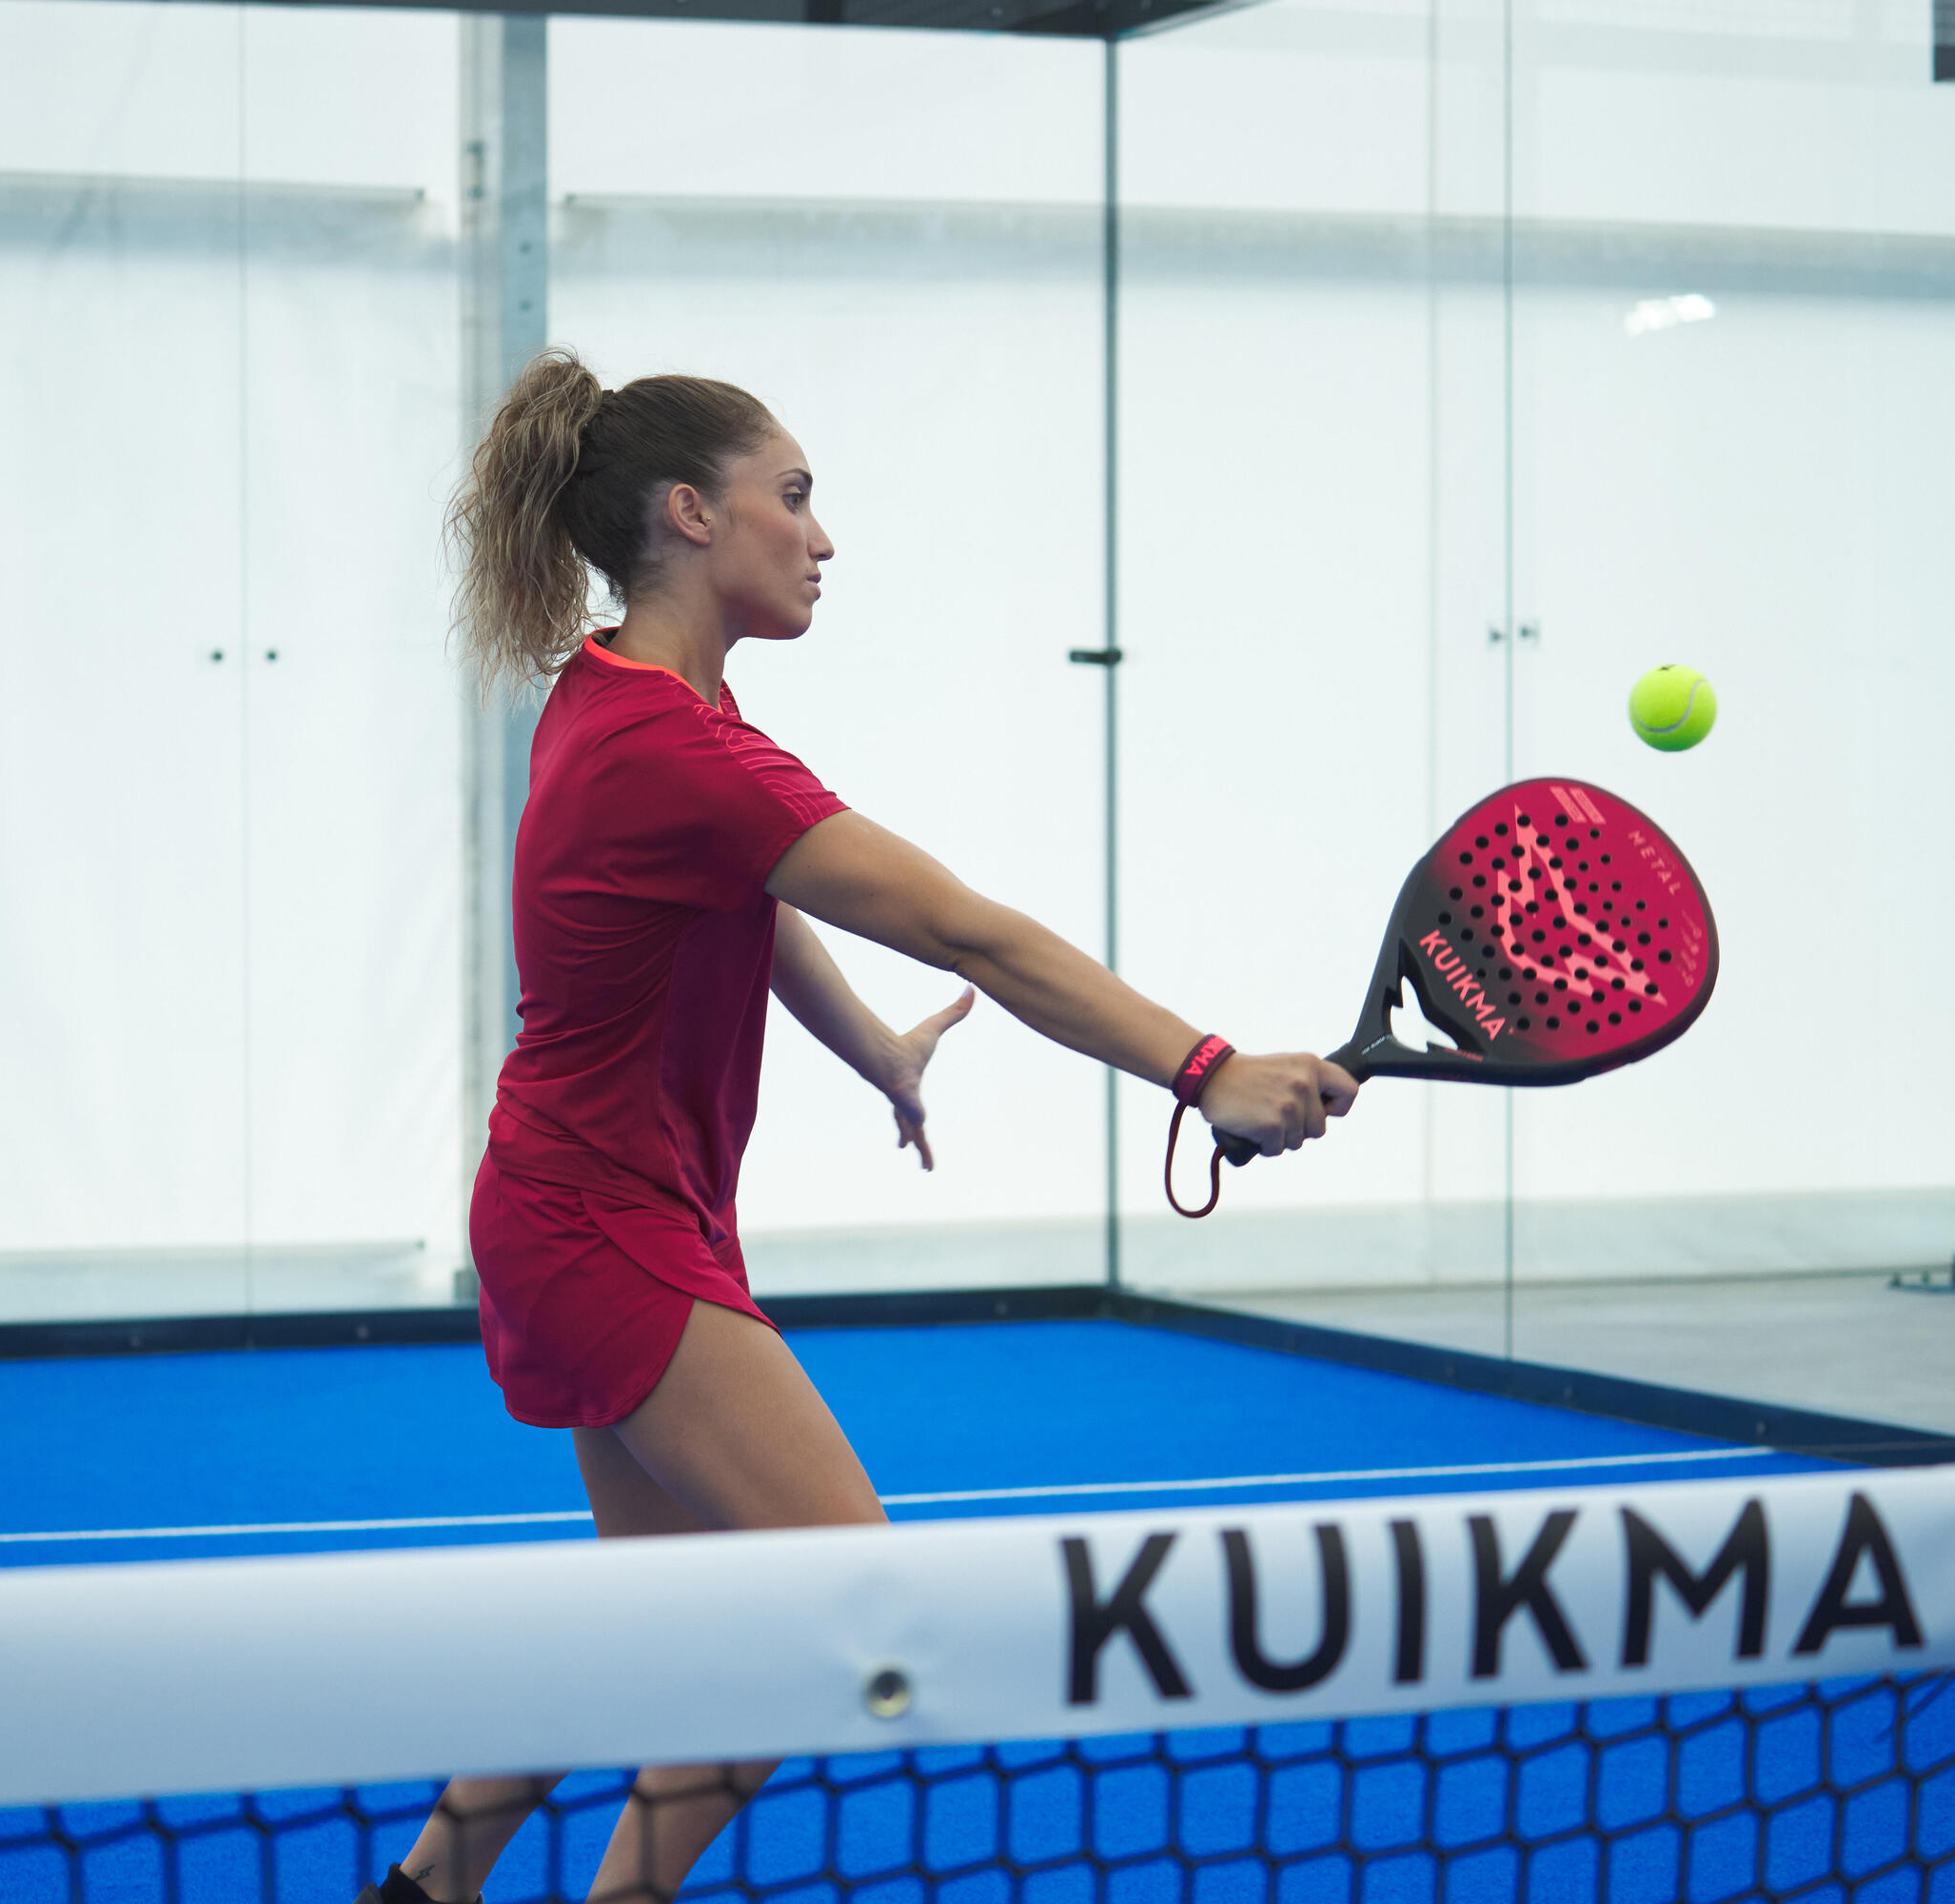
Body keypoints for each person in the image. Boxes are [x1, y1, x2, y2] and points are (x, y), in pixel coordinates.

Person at [360, 349, 1358, 1904]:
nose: (823, 537)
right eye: (796, 497)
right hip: (601, 1218)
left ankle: (423, 1891)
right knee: (840, 1592)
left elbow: (742, 903)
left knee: (659, 1621)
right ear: (692, 513)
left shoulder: (618, 694)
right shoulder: (678, 750)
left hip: (583, 1200)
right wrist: (1204, 1064)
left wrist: (874, 1052)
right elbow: (975, 932)